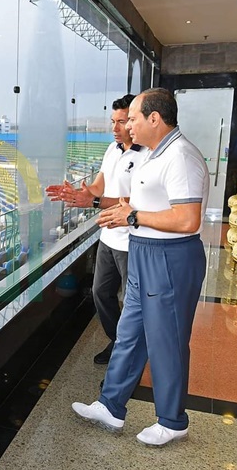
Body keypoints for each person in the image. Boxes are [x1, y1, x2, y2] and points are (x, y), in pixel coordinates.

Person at [72, 87, 209, 447]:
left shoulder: (180, 156)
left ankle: (172, 420)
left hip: (170, 256)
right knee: (130, 333)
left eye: (132, 117)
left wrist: (133, 215)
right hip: (146, 251)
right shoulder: (152, 154)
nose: (127, 124)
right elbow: (142, 200)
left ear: (154, 118)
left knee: (166, 339)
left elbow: (186, 219)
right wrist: (105, 203)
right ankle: (111, 405)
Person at [46, 94, 148, 364]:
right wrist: (78, 194)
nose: (114, 128)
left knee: (130, 302)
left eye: (122, 121)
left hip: (133, 240)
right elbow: (99, 186)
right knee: (100, 292)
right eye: (112, 121)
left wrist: (92, 201)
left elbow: (137, 202)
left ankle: (128, 356)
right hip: (109, 236)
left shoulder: (147, 154)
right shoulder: (113, 149)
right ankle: (117, 342)